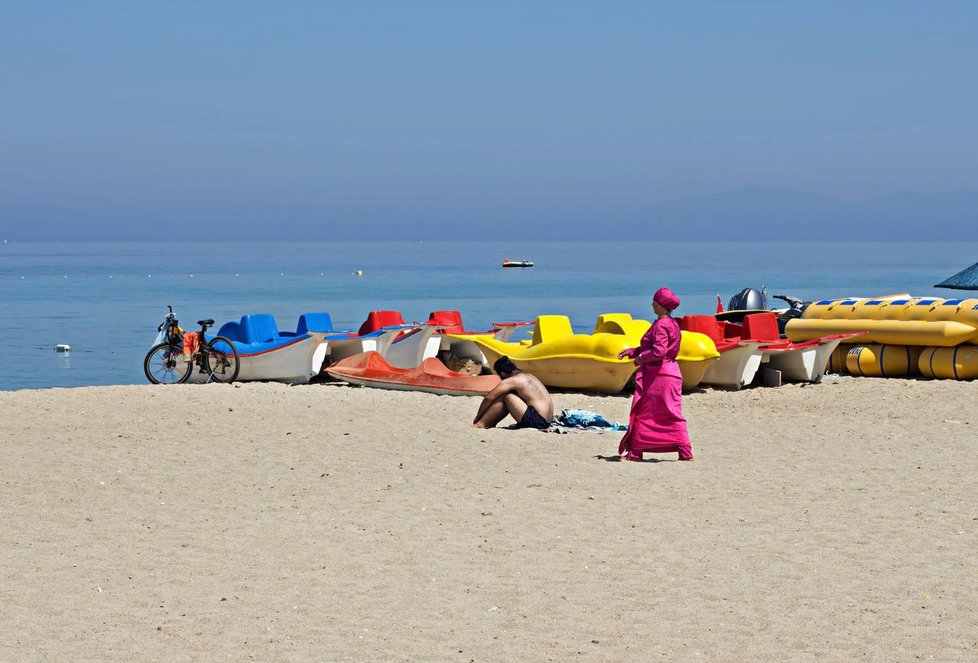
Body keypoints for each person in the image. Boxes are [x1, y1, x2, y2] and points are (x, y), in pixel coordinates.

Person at [616, 287, 694, 461]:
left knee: (644, 411)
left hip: (659, 376)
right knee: (671, 413)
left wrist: (641, 359)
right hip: (671, 372)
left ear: (661, 306)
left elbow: (658, 351)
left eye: (654, 302)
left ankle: (635, 452)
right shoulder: (672, 323)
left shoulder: (661, 325)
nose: (652, 304)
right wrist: (632, 352)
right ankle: (685, 452)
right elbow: (655, 348)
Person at [472, 356, 554, 429]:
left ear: (503, 374)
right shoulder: (526, 375)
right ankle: (487, 423)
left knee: (506, 396)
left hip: (538, 421)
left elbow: (489, 397)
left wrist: (478, 416)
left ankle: (480, 424)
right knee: (510, 395)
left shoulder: (513, 380)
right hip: (547, 420)